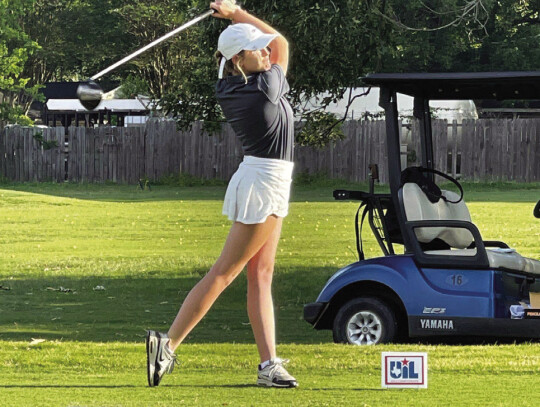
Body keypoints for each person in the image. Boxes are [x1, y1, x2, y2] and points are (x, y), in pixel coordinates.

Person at [146, 0, 297, 388]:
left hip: (266, 180)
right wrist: (236, 12)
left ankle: (268, 366)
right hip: (264, 183)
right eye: (255, 49)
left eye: (261, 48)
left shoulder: (231, 85)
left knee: (260, 275)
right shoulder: (262, 87)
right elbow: (282, 43)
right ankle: (167, 344)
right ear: (237, 59)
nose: (265, 52)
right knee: (225, 273)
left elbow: (273, 44)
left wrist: (238, 22)